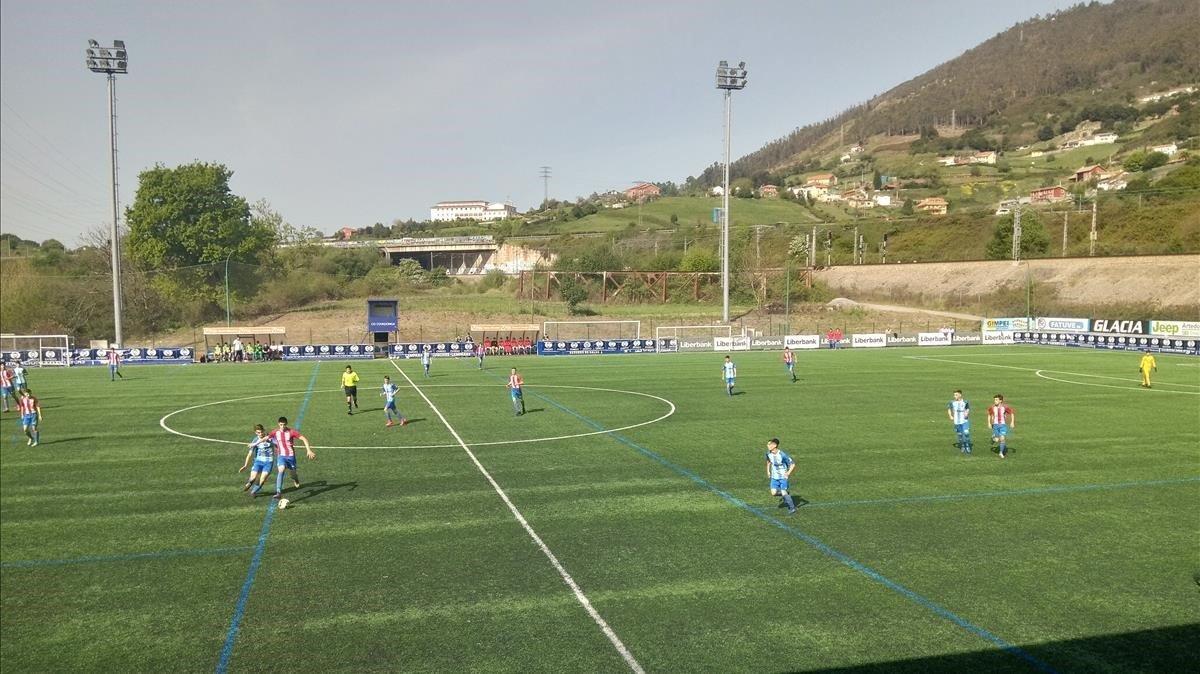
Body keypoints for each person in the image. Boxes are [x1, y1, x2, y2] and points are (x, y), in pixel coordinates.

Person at [270, 416, 316, 499]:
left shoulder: (291, 432)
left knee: (293, 475)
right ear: (278, 424)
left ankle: (295, 479)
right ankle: (278, 492)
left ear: (286, 424)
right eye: (281, 425)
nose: (282, 426)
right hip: (281, 456)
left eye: (284, 425)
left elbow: (304, 439)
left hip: (291, 457)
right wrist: (255, 444)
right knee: (281, 470)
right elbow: (268, 437)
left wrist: (308, 450)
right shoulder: (275, 432)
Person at [239, 424, 275, 496]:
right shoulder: (255, 440)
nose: (261, 434)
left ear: (264, 430)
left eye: (261, 432)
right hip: (258, 462)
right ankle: (250, 483)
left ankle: (253, 492)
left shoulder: (270, 437)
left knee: (262, 480)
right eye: (258, 432)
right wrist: (245, 465)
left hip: (268, 462)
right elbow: (250, 454)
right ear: (255, 432)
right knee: (253, 477)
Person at [765, 438, 798, 514]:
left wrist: (788, 473)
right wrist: (768, 471)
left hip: (783, 477)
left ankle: (792, 508)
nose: (768, 445)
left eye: (770, 444)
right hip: (774, 477)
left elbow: (793, 464)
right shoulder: (768, 453)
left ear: (775, 445)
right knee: (773, 493)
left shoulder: (782, 455)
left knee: (783, 492)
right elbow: (768, 462)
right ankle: (786, 494)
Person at [987, 394, 1016, 459]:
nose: (995, 401)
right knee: (997, 440)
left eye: (996, 400)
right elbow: (989, 414)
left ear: (1000, 401)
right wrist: (989, 423)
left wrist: (1012, 422)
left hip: (1003, 425)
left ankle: (1001, 453)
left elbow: (1012, 413)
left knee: (1002, 439)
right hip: (995, 425)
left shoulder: (1005, 407)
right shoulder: (992, 407)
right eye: (994, 400)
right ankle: (993, 438)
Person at [947, 389, 972, 454]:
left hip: (964, 420)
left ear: (960, 395)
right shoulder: (952, 402)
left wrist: (967, 413)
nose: (954, 396)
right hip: (956, 421)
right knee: (960, 435)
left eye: (956, 395)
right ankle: (963, 445)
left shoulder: (965, 402)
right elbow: (949, 409)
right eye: (954, 395)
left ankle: (967, 445)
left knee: (966, 433)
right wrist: (950, 416)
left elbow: (967, 408)